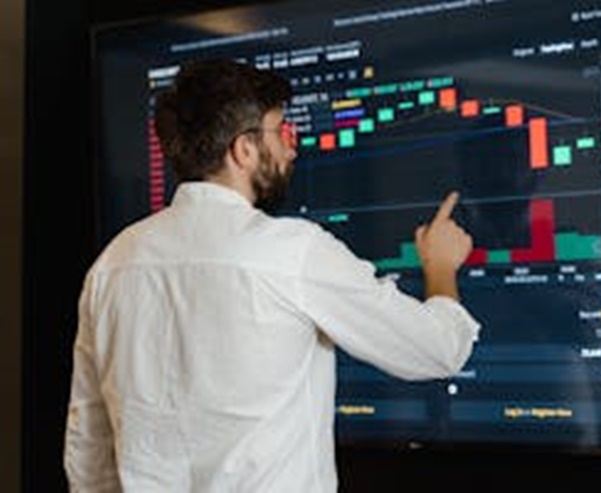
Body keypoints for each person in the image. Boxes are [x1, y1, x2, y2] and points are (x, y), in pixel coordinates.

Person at [64, 58, 480, 492]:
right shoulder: (291, 252)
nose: (291, 149)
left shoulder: (113, 263)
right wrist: (440, 267)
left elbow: (88, 451)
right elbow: (438, 349)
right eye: (281, 132)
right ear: (243, 149)